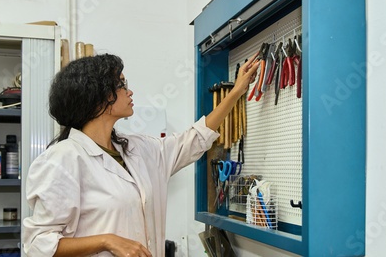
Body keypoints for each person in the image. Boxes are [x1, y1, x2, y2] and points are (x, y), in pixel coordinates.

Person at [22, 52, 259, 257]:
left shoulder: (138, 150)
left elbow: (195, 138)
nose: (130, 91)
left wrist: (236, 92)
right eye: (122, 85)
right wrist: (107, 241)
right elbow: (38, 245)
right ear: (98, 97)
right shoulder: (63, 160)